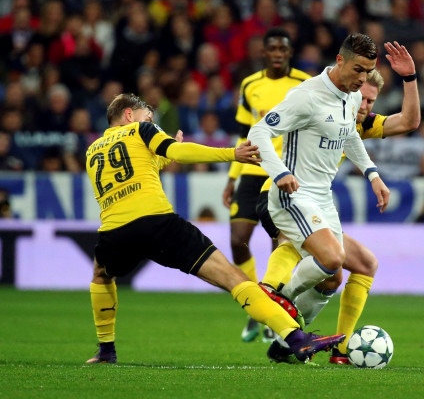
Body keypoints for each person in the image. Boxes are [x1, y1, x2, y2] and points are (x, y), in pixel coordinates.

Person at [85, 93, 344, 364]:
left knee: (102, 275)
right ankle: (295, 338)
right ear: (129, 115)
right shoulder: (141, 129)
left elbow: (136, 171)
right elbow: (177, 153)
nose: (153, 123)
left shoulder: (92, 150)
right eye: (148, 117)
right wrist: (231, 154)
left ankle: (106, 351)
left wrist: (165, 155)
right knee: (235, 279)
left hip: (114, 232)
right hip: (157, 223)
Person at [257, 41, 420, 364]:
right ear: (339, 61)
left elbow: (349, 135)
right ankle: (278, 300)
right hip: (292, 192)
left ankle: (286, 343)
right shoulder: (307, 96)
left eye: (369, 72)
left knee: (334, 275)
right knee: (329, 256)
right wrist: (279, 173)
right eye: (358, 69)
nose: (363, 79)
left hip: (322, 197)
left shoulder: (353, 97)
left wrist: (373, 174)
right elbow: (259, 132)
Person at [222, 28, 311, 343]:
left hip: (284, 172)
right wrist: (232, 177)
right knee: (238, 239)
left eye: (282, 49)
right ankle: (255, 306)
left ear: (289, 53)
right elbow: (243, 134)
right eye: (271, 48)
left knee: (280, 243)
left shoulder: (304, 84)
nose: (277, 53)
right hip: (251, 169)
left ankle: (273, 308)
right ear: (264, 53)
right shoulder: (250, 85)